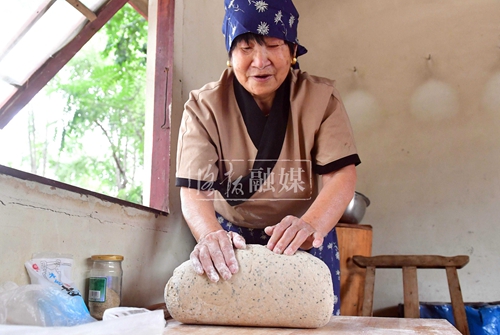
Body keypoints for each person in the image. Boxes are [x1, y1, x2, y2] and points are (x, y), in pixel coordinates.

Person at [175, 0, 360, 315]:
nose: (260, 61)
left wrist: (311, 225)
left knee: (312, 321)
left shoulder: (321, 98)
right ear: (230, 55)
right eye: (246, 47)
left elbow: (341, 175)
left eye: (274, 45)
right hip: (232, 240)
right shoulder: (203, 107)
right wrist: (210, 236)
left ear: (291, 51)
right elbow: (195, 188)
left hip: (303, 233)